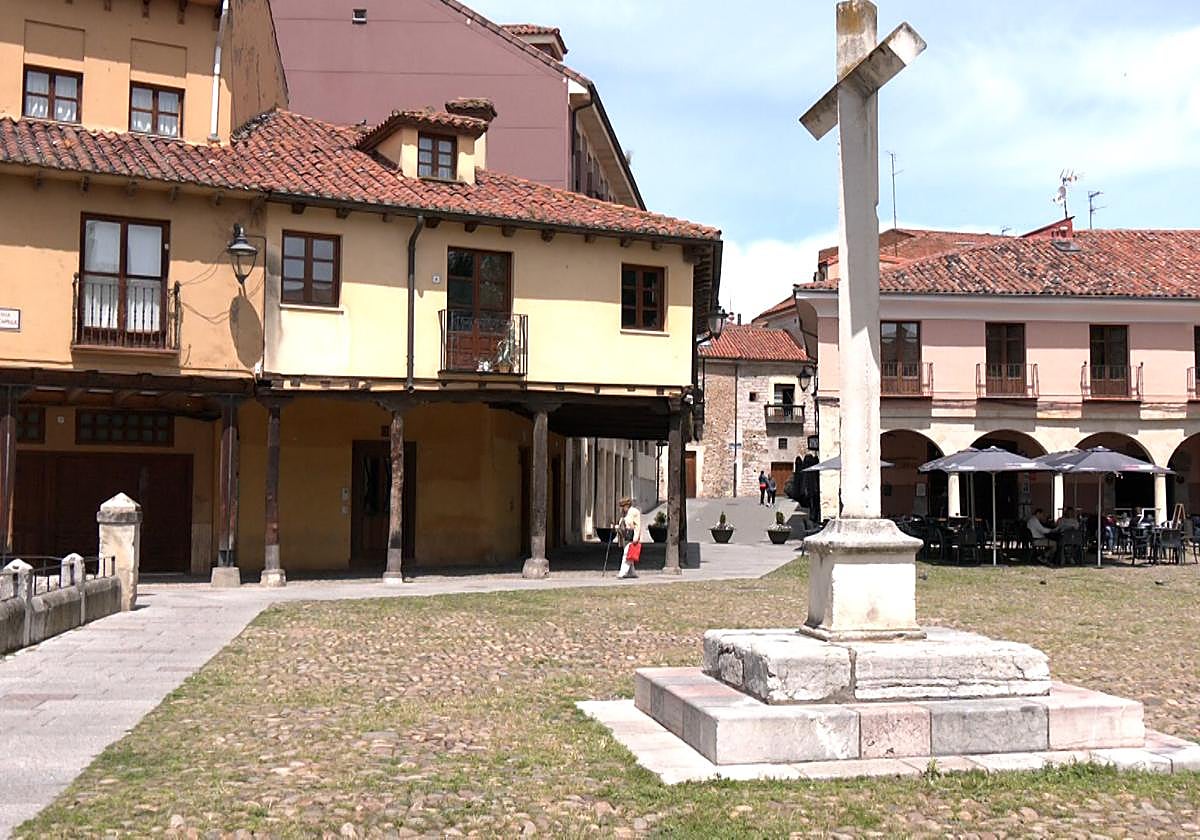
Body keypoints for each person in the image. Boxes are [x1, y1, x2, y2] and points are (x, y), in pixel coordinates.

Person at [616, 497, 642, 579]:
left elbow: (638, 525)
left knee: (626, 554)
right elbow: (622, 522)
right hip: (625, 535)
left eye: (624, 506)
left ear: (628, 505)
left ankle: (622, 572)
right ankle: (632, 572)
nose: (623, 508)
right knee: (630, 554)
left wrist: (636, 537)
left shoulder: (635, 512)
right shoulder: (623, 513)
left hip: (632, 535)